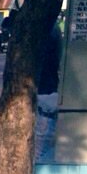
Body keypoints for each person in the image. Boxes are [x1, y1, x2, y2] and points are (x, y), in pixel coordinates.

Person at [35, 23, 63, 162]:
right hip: (49, 90)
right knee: (44, 146)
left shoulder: (43, 29)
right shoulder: (54, 29)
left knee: (40, 148)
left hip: (43, 94)